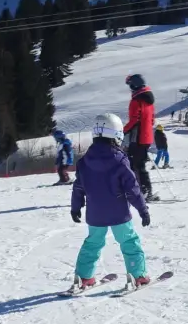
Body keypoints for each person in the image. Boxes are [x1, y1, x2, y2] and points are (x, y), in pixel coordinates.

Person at [67, 113, 151, 295]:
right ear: (116, 134)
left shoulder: (85, 161)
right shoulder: (119, 160)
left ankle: (84, 277)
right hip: (118, 214)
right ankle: (139, 276)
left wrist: (75, 207)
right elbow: (133, 188)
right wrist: (143, 210)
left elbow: (78, 187)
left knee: (92, 244)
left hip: (95, 214)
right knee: (129, 242)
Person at [123, 74, 156, 200]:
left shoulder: (136, 101)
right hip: (146, 137)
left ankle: (142, 192)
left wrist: (123, 131)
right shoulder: (149, 101)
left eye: (130, 85)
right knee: (139, 164)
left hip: (137, 138)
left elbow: (133, 120)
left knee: (134, 165)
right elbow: (152, 120)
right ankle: (144, 191)